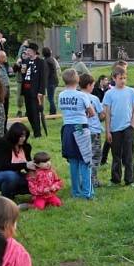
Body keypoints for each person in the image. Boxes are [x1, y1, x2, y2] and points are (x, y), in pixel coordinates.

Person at [58, 69, 95, 199]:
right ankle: (87, 193)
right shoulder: (82, 95)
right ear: (78, 80)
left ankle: (76, 192)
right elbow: (92, 112)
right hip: (80, 127)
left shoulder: (61, 95)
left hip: (67, 128)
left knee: (73, 161)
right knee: (85, 160)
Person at [103, 66, 134, 186]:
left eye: (125, 78)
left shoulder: (131, 92)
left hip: (127, 128)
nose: (123, 80)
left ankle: (130, 179)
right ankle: (115, 179)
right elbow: (107, 114)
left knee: (129, 155)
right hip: (114, 129)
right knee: (116, 155)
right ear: (114, 78)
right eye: (120, 78)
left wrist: (132, 125)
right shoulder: (109, 94)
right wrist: (108, 131)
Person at [0, 122, 34, 201]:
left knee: (36, 177)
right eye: (21, 136)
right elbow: (3, 166)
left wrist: (35, 169)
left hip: (17, 174)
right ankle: (6, 199)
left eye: (25, 136)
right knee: (11, 176)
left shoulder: (26, 147)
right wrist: (25, 165)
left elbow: (28, 165)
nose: (23, 138)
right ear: (14, 136)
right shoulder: (1, 144)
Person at [79, 74, 104, 188]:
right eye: (93, 85)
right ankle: (92, 180)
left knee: (82, 156)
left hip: (80, 131)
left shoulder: (76, 97)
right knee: (95, 156)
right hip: (93, 131)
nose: (93, 87)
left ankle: (82, 180)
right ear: (89, 85)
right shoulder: (94, 98)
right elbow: (101, 115)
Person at [20, 42, 47, 139]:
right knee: (29, 112)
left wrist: (41, 91)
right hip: (26, 90)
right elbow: (23, 74)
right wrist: (21, 67)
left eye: (29, 50)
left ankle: (37, 133)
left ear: (34, 52)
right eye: (27, 50)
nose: (27, 52)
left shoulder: (40, 62)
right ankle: (34, 129)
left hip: (35, 91)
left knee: (35, 111)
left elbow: (43, 78)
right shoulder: (25, 61)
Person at [42, 47, 60, 116]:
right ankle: (52, 112)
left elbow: (46, 73)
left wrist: (44, 82)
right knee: (51, 97)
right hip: (54, 81)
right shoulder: (52, 59)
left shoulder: (46, 61)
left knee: (50, 98)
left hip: (50, 82)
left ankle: (53, 112)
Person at [15, 39, 30, 117]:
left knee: (27, 96)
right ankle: (19, 110)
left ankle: (27, 110)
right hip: (20, 81)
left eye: (25, 54)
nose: (24, 55)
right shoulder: (19, 62)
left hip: (27, 82)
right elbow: (14, 70)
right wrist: (17, 64)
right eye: (22, 54)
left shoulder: (29, 62)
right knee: (19, 97)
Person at [0, 50, 12, 120]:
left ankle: (5, 128)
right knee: (1, 111)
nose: (5, 58)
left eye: (5, 57)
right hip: (0, 90)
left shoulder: (5, 65)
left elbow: (11, 74)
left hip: (7, 90)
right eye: (3, 57)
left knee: (6, 109)